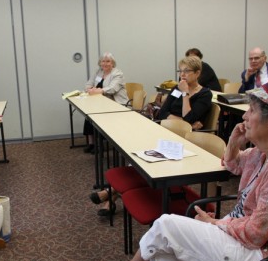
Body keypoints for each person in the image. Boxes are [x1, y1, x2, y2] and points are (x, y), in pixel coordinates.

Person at [91, 78, 268, 261]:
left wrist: (215, 224)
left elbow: (255, 234)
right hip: (249, 242)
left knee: (165, 225)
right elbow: (233, 164)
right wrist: (233, 142)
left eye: (251, 110)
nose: (243, 116)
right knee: (165, 257)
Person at [90, 56, 212, 214]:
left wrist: (185, 95)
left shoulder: (204, 94)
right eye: (180, 70)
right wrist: (178, 120)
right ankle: (112, 195)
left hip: (184, 142)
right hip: (166, 132)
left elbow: (189, 119)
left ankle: (110, 195)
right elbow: (162, 112)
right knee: (140, 158)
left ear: (197, 73)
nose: (182, 74)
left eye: (187, 71)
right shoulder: (176, 89)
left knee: (145, 163)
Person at [83, 52, 128, 153]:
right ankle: (92, 143)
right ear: (100, 63)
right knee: (88, 115)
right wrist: (89, 89)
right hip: (99, 102)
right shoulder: (98, 72)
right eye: (103, 61)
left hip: (116, 104)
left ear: (113, 63)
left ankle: (100, 145)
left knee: (98, 116)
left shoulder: (117, 74)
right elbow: (88, 84)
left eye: (108, 61)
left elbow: (112, 89)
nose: (105, 64)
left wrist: (98, 90)